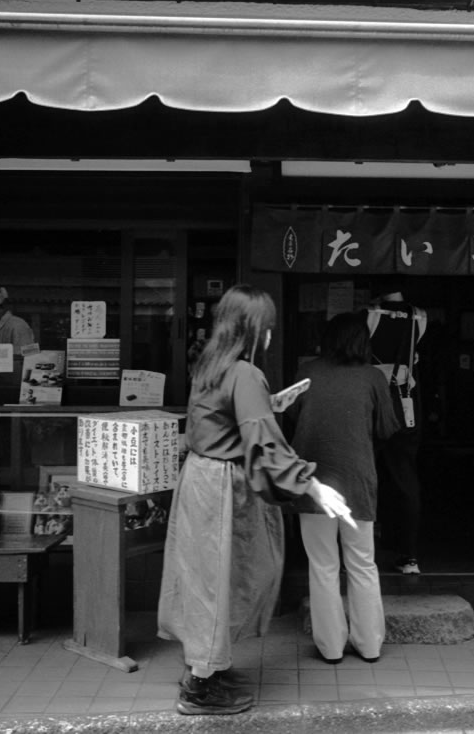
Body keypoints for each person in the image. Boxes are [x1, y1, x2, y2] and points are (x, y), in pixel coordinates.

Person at [157, 283, 354, 716]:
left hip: (199, 478)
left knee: (206, 578)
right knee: (224, 578)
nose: (269, 336)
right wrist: (315, 486)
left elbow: (229, 421)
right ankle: (199, 689)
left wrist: (269, 404)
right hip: (223, 486)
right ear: (253, 329)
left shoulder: (210, 362)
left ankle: (208, 664)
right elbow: (265, 444)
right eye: (267, 328)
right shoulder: (246, 373)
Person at [287, 312, 400, 665]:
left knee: (322, 565)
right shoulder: (372, 377)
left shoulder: (307, 372)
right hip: (358, 480)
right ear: (362, 342)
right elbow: (387, 429)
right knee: (362, 563)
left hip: (313, 481)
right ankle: (369, 645)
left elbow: (290, 418)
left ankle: (330, 648)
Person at [366, 288, 428, 575]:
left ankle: (359, 554)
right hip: (406, 401)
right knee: (405, 477)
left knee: (363, 475)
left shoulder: (371, 315)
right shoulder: (419, 316)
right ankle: (409, 555)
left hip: (373, 400)